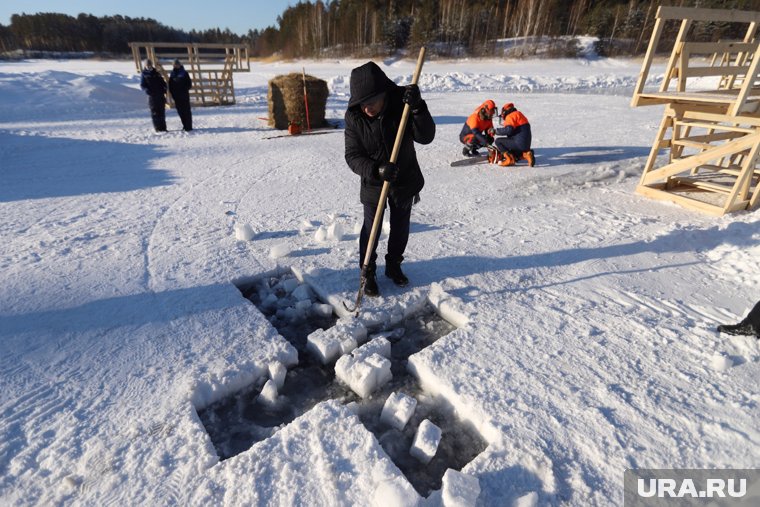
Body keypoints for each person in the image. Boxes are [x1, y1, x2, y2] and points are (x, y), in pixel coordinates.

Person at [344, 61, 436, 297]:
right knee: (371, 229)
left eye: (371, 102)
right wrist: (377, 170)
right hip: (374, 181)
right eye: (362, 103)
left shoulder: (401, 106)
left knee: (400, 227)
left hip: (404, 178)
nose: (367, 108)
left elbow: (426, 137)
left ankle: (394, 265)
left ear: (384, 94)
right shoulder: (354, 117)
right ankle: (368, 272)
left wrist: (418, 108)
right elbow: (353, 156)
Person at [492, 102, 534, 167]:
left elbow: (508, 130)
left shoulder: (510, 116)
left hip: (519, 143)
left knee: (498, 141)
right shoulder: (519, 114)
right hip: (526, 145)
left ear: (505, 112)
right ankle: (527, 155)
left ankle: (509, 159)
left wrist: (496, 131)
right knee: (513, 150)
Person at [140, 59, 167, 132]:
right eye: (147, 65)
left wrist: (165, 87)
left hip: (160, 95)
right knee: (155, 113)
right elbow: (142, 85)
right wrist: (147, 90)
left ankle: (163, 128)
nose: (149, 66)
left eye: (150, 65)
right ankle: (157, 128)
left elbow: (162, 82)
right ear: (145, 66)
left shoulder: (156, 73)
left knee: (162, 111)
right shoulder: (144, 74)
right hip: (152, 96)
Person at [169, 59, 193, 131]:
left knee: (186, 111)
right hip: (176, 96)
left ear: (180, 65)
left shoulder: (184, 73)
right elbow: (170, 85)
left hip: (184, 95)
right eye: (175, 64)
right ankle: (184, 125)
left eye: (177, 64)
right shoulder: (172, 74)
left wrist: (184, 90)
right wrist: (173, 94)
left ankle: (188, 126)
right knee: (180, 111)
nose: (176, 65)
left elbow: (189, 84)